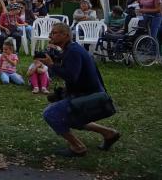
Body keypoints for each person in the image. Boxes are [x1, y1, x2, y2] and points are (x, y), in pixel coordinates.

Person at [40, 22, 120, 157]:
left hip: (88, 95)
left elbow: (71, 76)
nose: (50, 36)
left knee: (51, 114)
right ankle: (109, 133)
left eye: (54, 33)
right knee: (69, 117)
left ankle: (78, 147)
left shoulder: (73, 51)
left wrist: (51, 65)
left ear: (65, 35)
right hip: (85, 92)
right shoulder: (70, 49)